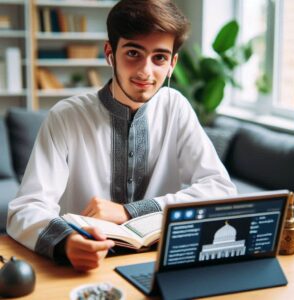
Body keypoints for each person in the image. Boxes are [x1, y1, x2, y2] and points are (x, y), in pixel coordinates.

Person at [7, 0, 236, 271]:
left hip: (161, 264)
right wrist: (65, 242)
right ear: (110, 52)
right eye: (133, 53)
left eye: (159, 57)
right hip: (88, 264)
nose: (145, 72)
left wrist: (131, 211)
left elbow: (220, 189)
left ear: (172, 63)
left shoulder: (176, 107)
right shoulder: (65, 116)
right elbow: (25, 208)